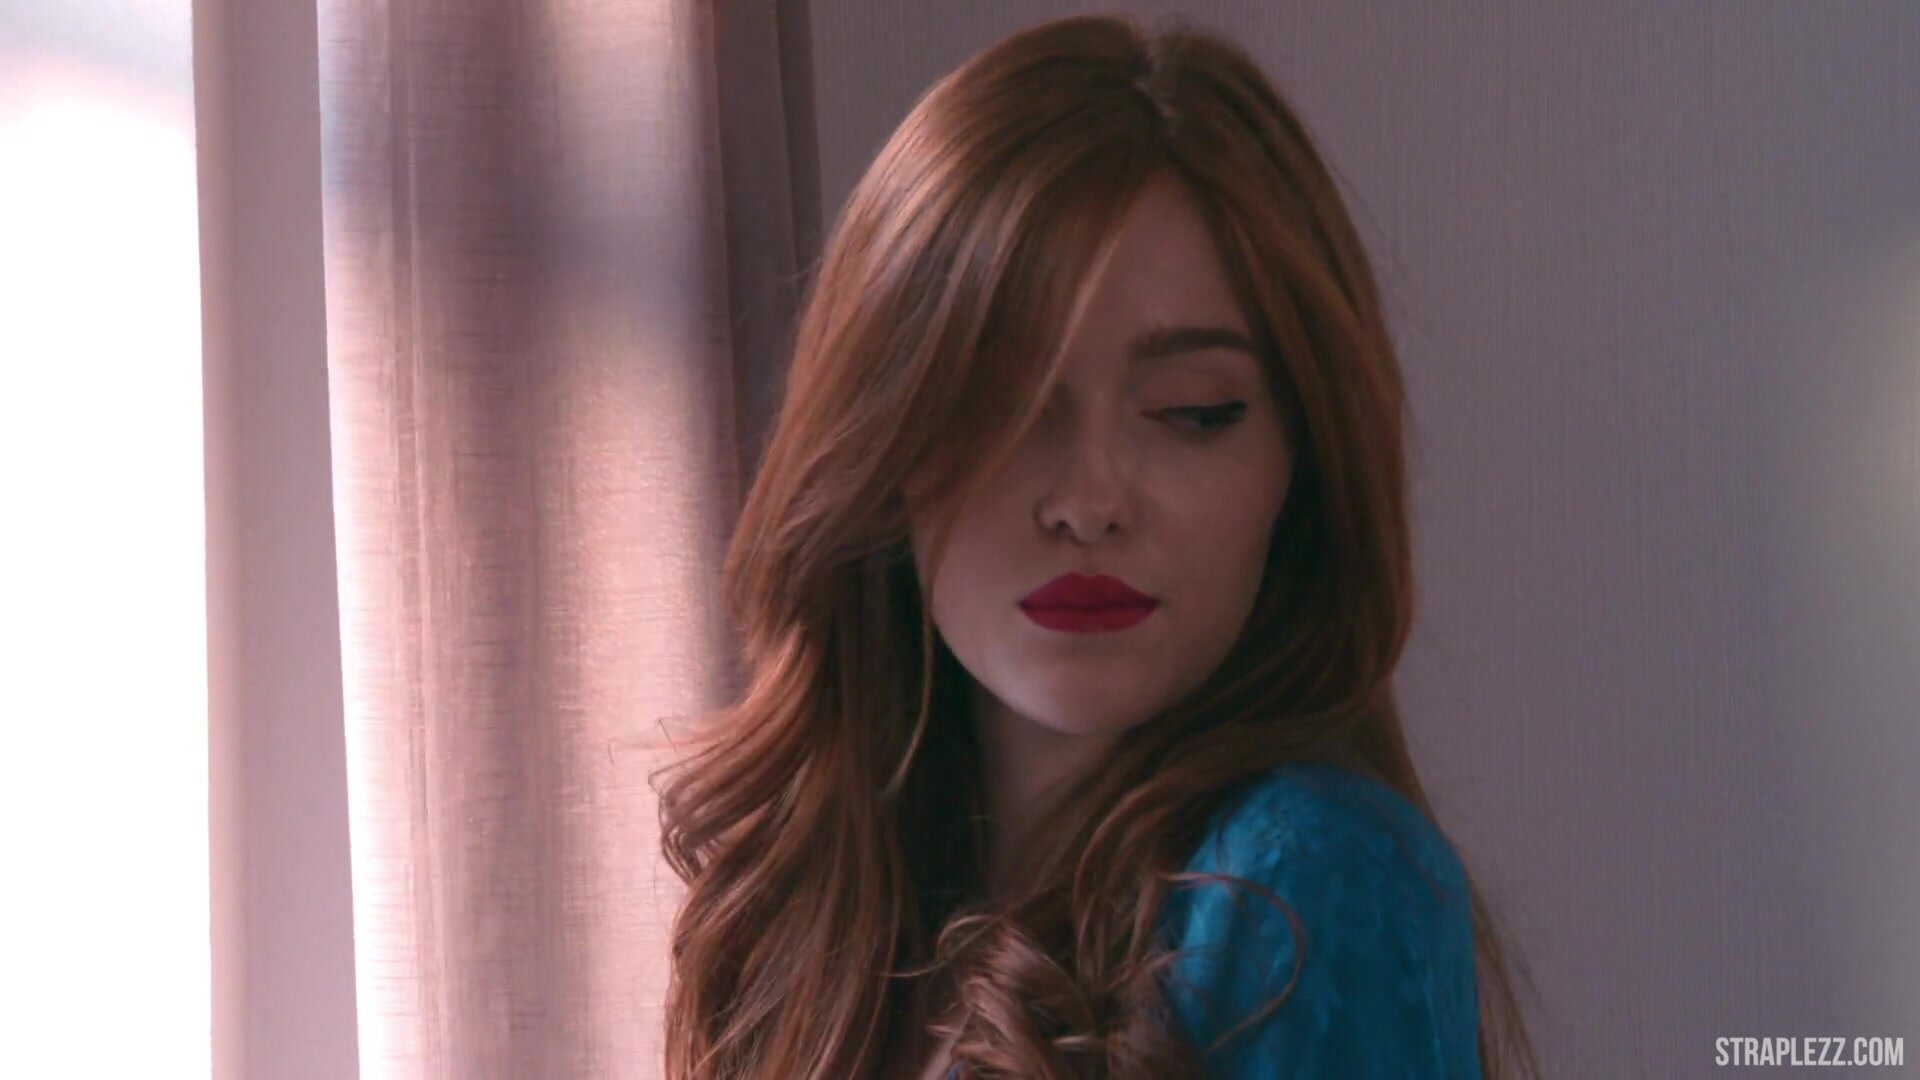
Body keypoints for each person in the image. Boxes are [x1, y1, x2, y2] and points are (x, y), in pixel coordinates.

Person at [653, 10, 1540, 1078]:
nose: (1088, 502)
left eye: (1191, 410)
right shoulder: (816, 914)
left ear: (1302, 469)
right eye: (1001, 405)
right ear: (882, 444)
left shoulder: (1303, 884)